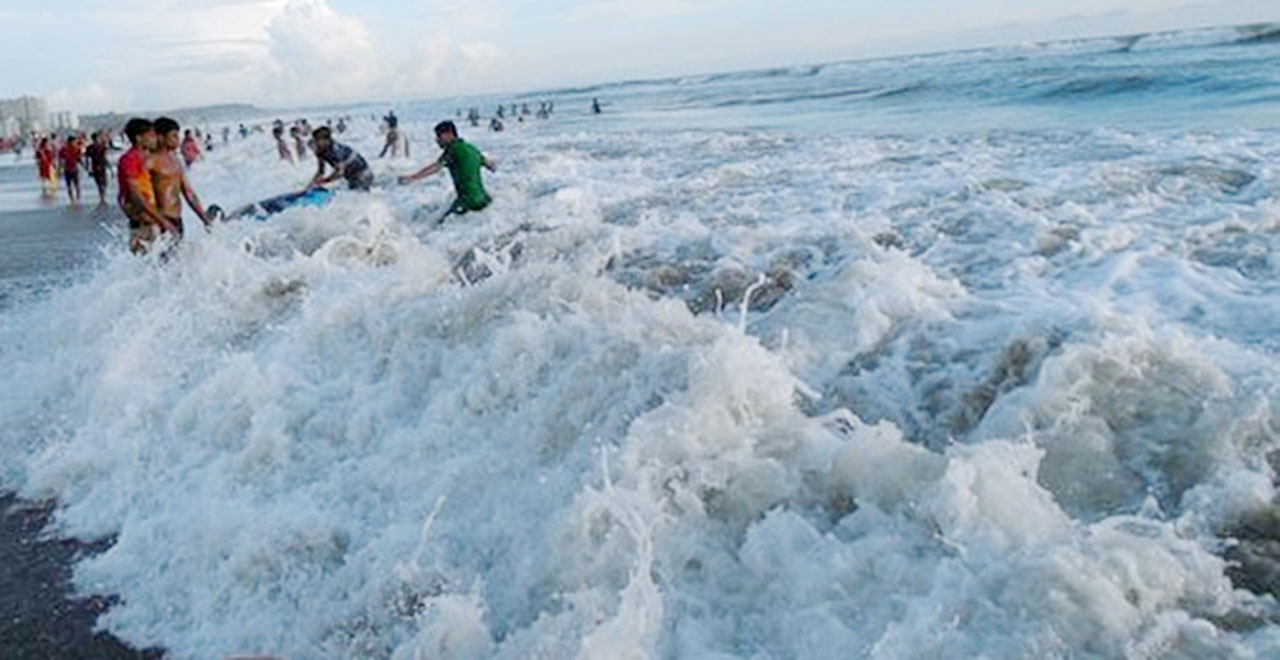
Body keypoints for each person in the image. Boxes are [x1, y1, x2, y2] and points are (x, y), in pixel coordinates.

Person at [397, 121, 495, 223]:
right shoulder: (472, 148)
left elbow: (436, 167)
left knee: (439, 224)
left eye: (439, 136)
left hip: (467, 201)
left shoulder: (453, 149)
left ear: (449, 134)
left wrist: (412, 177)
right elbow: (491, 166)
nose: (437, 140)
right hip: (485, 199)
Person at [117, 118, 178, 252]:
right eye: (151, 136)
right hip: (143, 225)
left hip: (152, 221)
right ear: (138, 138)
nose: (155, 139)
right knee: (147, 266)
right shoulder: (130, 159)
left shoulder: (146, 158)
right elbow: (136, 195)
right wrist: (163, 221)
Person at [152, 117, 210, 235]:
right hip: (159, 222)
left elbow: (189, 193)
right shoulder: (150, 162)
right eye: (174, 136)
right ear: (160, 137)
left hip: (176, 220)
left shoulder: (175, 161)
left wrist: (204, 218)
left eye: (178, 135)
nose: (178, 140)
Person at [309, 126, 373, 191]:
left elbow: (339, 172)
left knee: (356, 195)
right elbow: (321, 171)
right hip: (350, 176)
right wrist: (310, 185)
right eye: (315, 139)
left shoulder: (336, 150)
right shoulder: (320, 151)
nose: (315, 142)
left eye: (318, 140)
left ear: (327, 140)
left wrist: (325, 181)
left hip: (363, 174)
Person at [85, 130, 111, 206]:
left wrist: (87, 167)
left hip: (95, 166)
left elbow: (87, 158)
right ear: (96, 138)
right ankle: (103, 197)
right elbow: (105, 157)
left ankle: (101, 197)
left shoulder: (90, 147)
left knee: (99, 183)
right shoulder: (101, 146)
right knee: (104, 182)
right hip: (101, 166)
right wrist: (109, 167)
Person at [58, 133, 83, 205]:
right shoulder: (64, 149)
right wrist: (59, 170)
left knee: (76, 184)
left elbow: (79, 159)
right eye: (74, 141)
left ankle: (78, 198)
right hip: (67, 169)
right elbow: (61, 160)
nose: (75, 143)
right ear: (69, 141)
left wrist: (85, 167)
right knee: (69, 185)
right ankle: (72, 199)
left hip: (74, 169)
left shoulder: (77, 148)